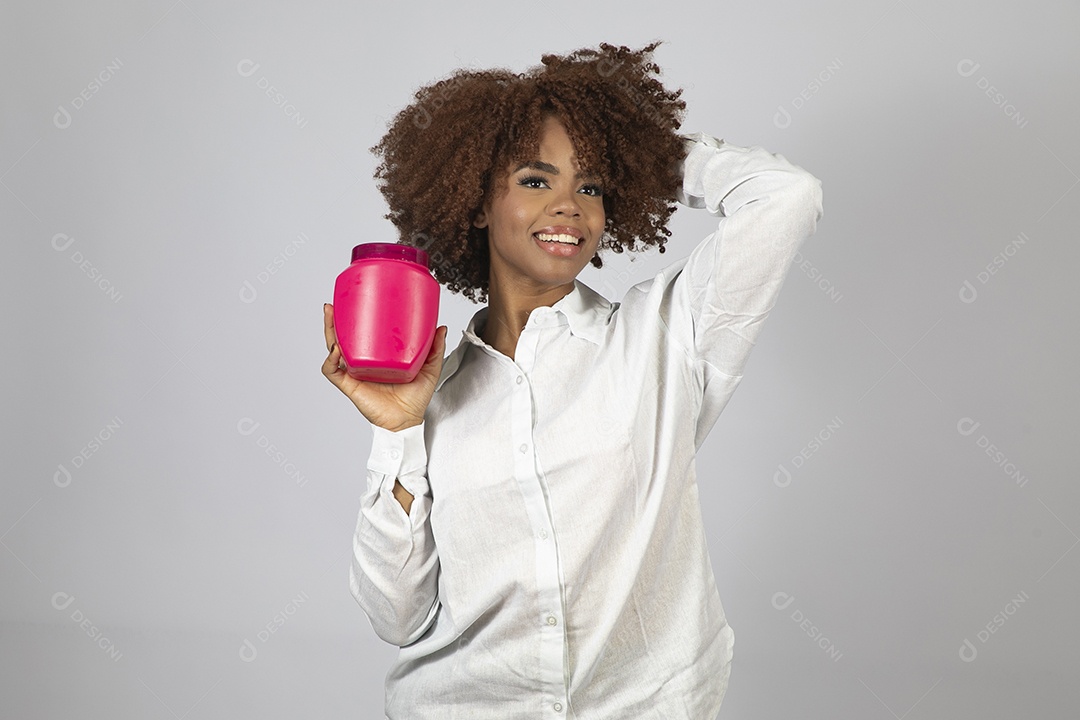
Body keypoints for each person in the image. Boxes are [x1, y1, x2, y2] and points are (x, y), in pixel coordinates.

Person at [321, 41, 823, 719]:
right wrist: (399, 434)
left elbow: (786, 197)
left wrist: (638, 149)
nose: (570, 206)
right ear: (476, 202)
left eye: (590, 184)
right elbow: (398, 619)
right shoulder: (430, 393)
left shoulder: (668, 336)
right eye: (535, 180)